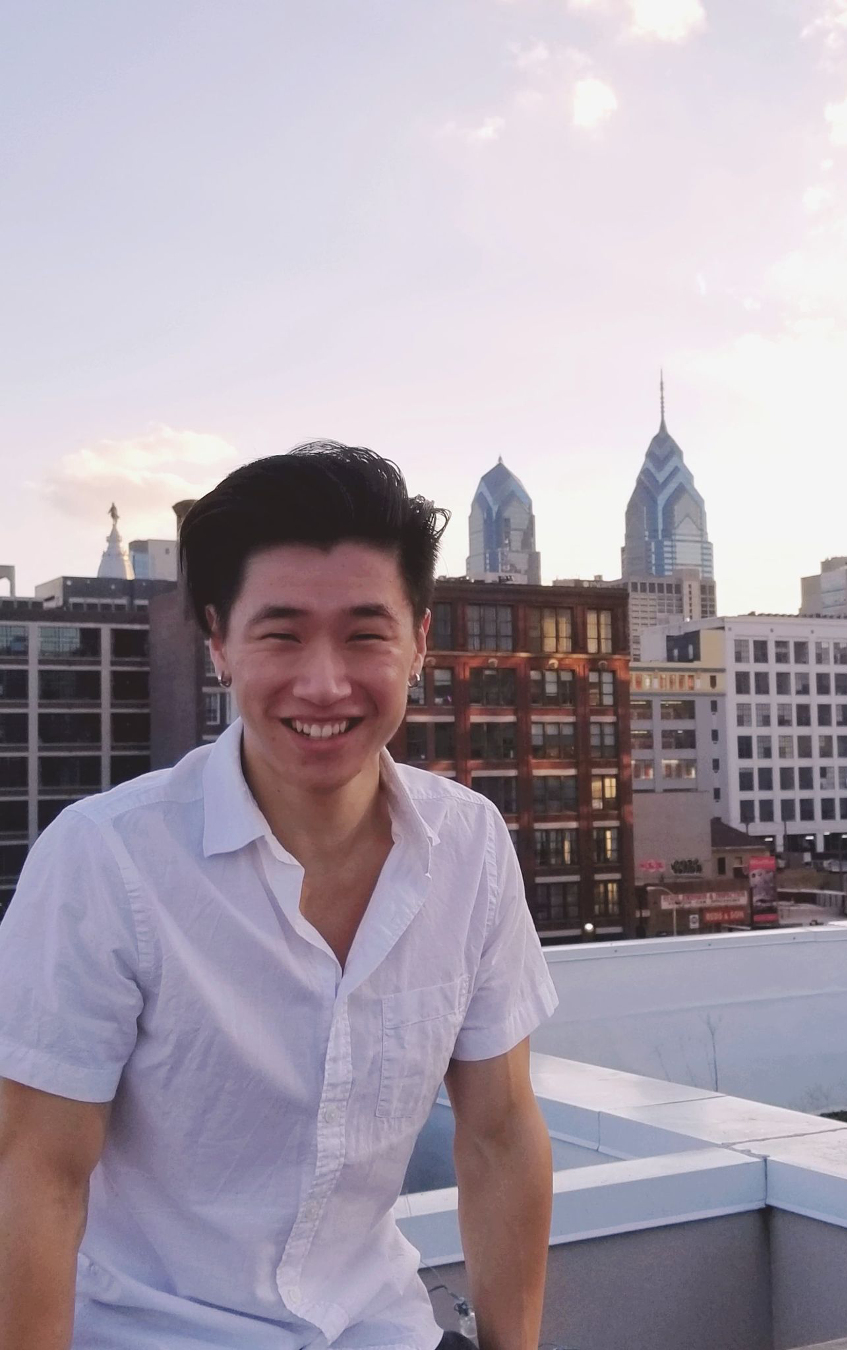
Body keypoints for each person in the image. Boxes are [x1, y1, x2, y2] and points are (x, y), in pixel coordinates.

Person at [0, 442, 558, 1350]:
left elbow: (499, 1134)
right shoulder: (107, 862)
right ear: (219, 640)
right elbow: (36, 1176)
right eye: (283, 633)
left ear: (419, 640)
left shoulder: (470, 849)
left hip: (376, 1327)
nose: (325, 683)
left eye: (365, 634)